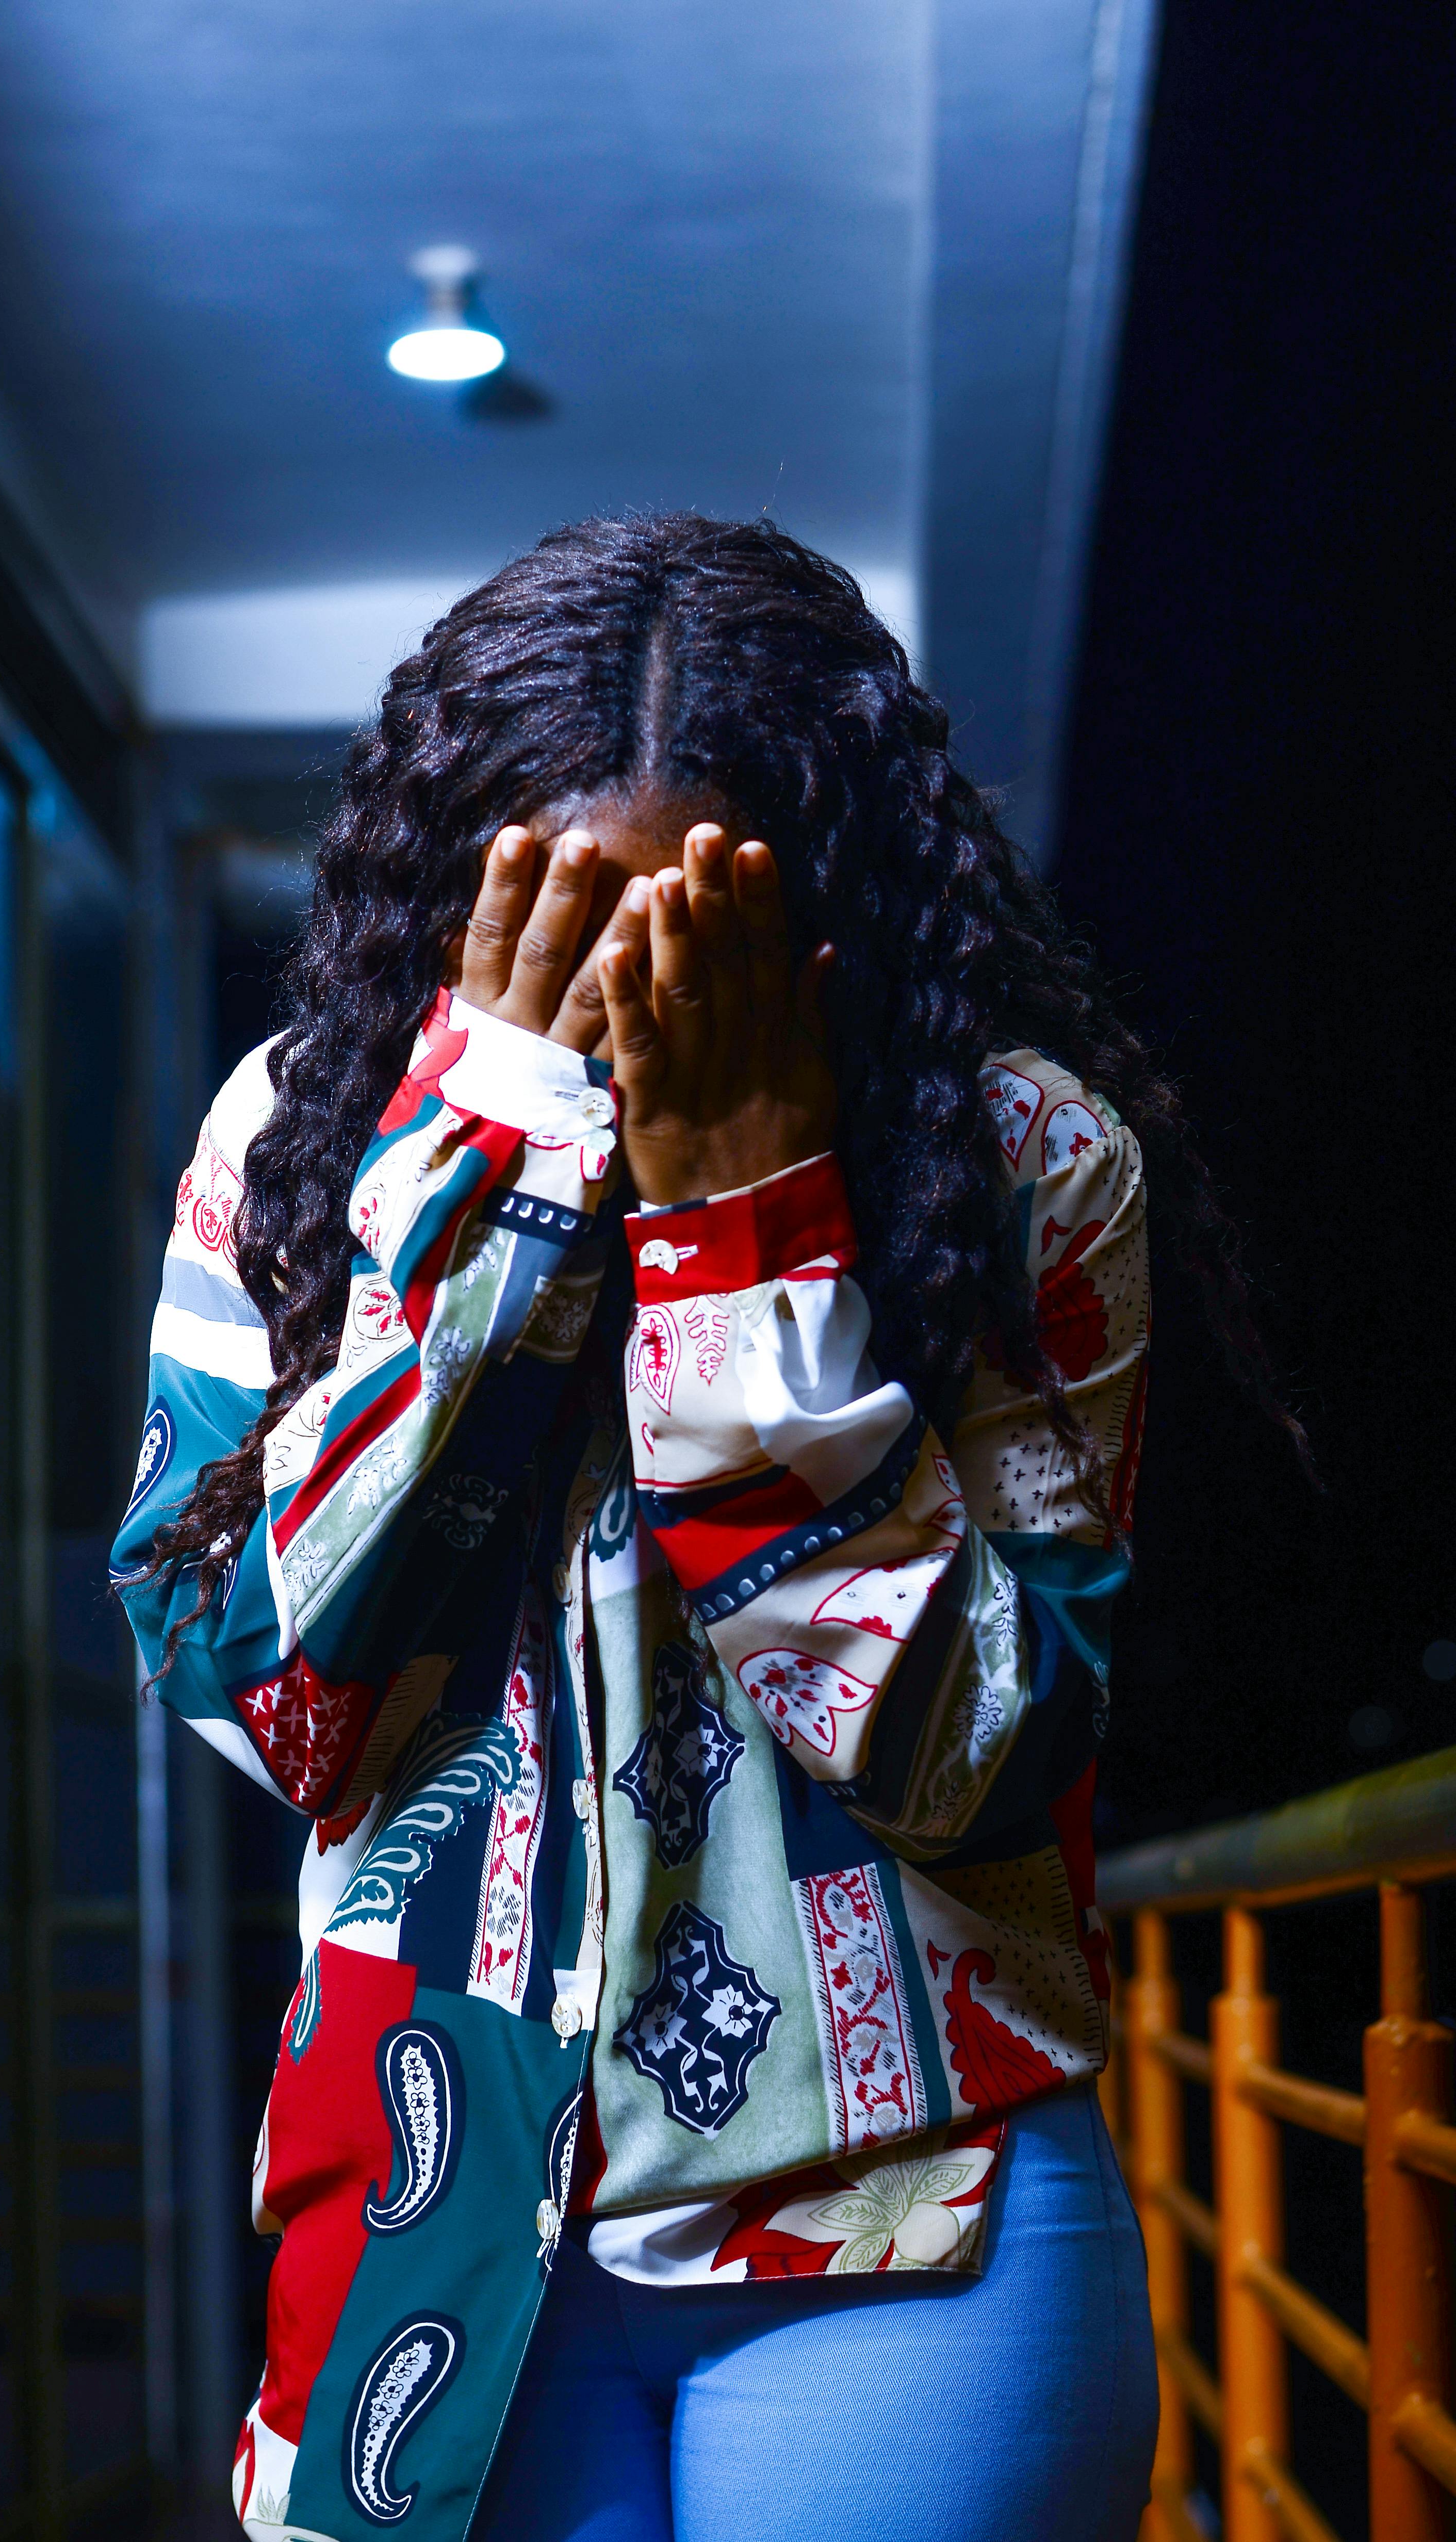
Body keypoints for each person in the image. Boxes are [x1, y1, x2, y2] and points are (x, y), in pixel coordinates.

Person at [113, 514, 1297, 2542]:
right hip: (437, 2217)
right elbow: (271, 1697)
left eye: (703, 930)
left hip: (923, 2215)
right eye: (564, 923)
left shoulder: (1022, 1163)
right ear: (454, 906)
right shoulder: (296, 1140)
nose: (634, 994)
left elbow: (988, 1758)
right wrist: (494, 1203)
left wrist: (752, 1255)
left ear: (828, 917)